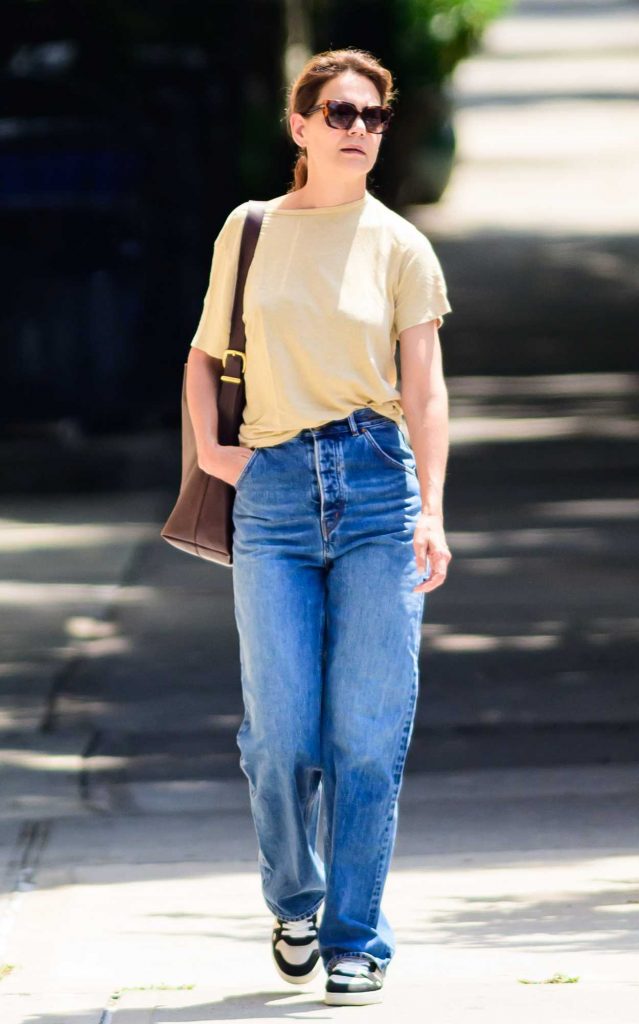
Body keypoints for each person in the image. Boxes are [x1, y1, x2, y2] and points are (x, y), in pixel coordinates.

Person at [186, 47, 452, 1007]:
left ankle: (354, 935)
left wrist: (431, 510)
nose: (357, 130)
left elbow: (424, 393)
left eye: (373, 117)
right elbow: (204, 355)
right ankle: (293, 898)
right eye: (338, 112)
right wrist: (216, 456)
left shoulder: (399, 245)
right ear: (299, 126)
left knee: (368, 734)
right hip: (273, 494)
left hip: (379, 489)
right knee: (280, 733)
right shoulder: (249, 230)